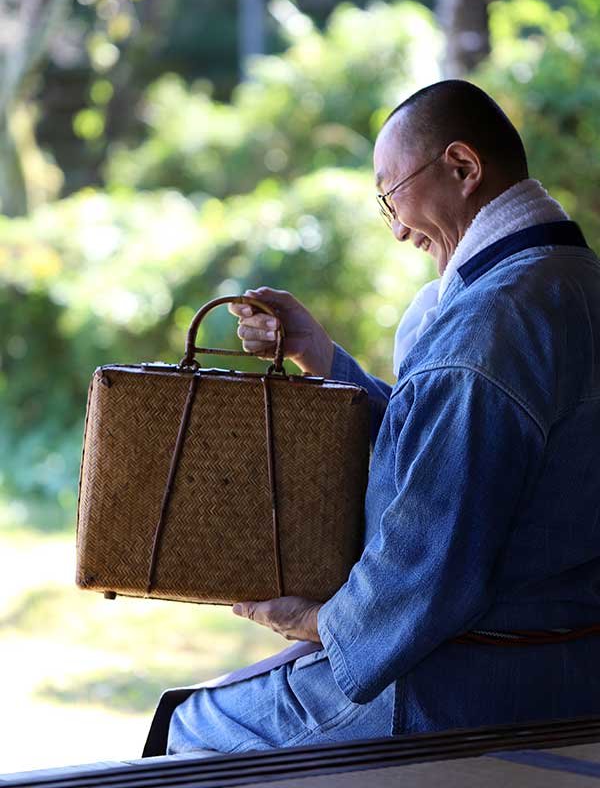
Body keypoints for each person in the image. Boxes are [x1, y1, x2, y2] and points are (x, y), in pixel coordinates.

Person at [146, 79, 600, 757]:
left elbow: (427, 563)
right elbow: (453, 450)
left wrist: (321, 621)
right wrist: (322, 357)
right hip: (574, 660)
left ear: (463, 168)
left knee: (191, 728)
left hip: (472, 683)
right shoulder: (572, 281)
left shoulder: (491, 323)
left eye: (392, 194)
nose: (394, 227)